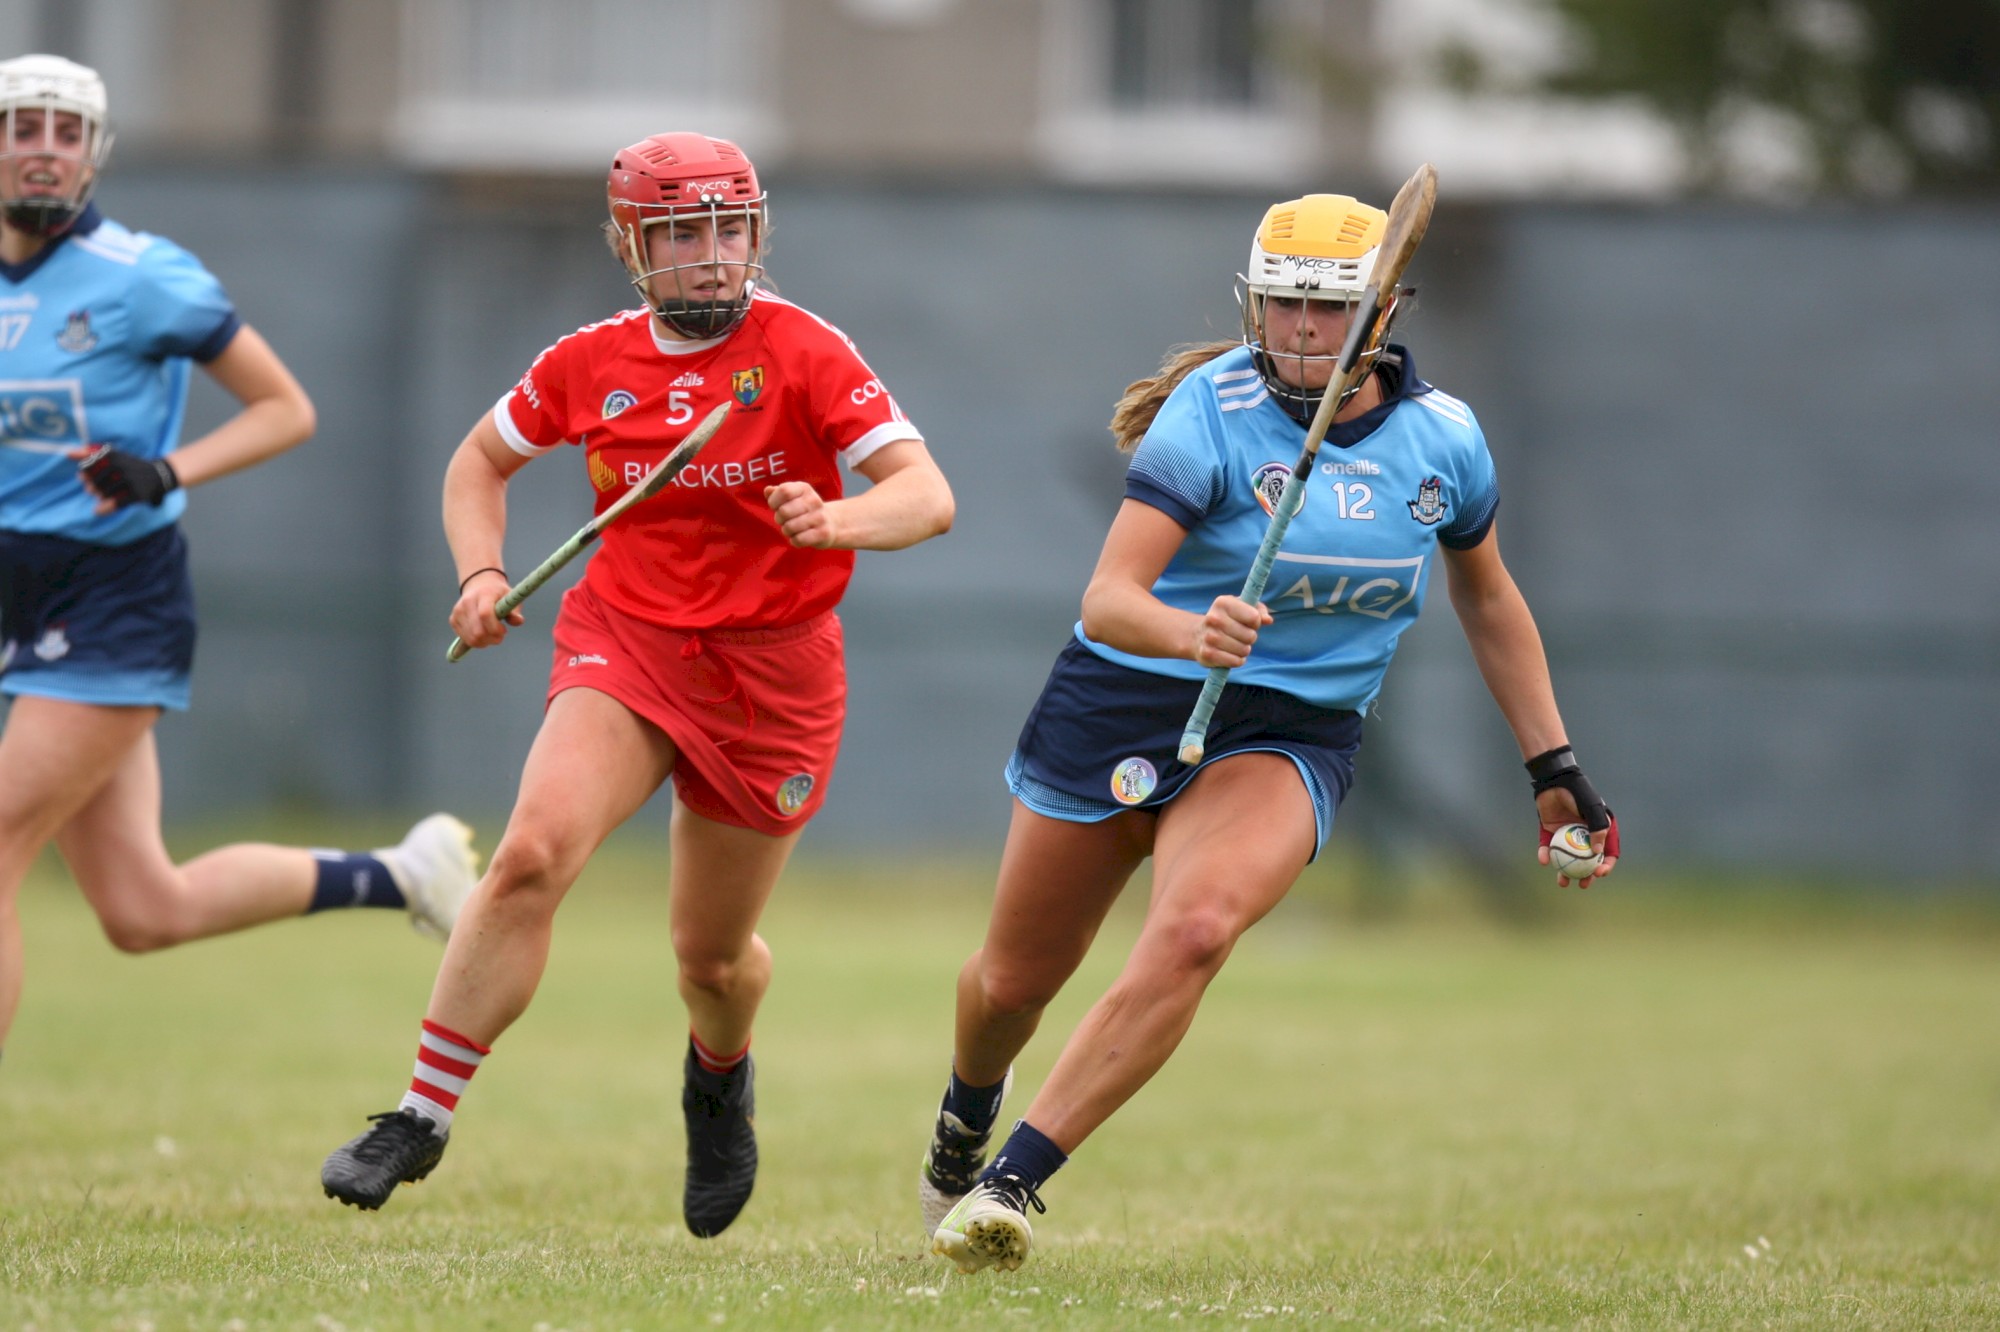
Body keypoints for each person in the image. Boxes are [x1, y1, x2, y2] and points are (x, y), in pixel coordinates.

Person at [920, 190, 1620, 1273]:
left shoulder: (1443, 443)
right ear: (1255, 304)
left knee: (1194, 931)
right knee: (1010, 985)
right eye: (1285, 304)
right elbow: (1109, 598)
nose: (1301, 330)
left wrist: (1552, 762)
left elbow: (1486, 598)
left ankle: (1008, 1181)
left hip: (1292, 730)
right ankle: (966, 1115)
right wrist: (1189, 630)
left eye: (1327, 309)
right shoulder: (1208, 411)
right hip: (1125, 694)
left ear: (1379, 315)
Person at [317, 131, 955, 1237]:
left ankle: (718, 1075)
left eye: (729, 229)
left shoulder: (803, 349)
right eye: (680, 236)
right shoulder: (588, 363)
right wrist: (480, 571)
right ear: (629, 246)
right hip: (628, 641)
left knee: (710, 958)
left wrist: (836, 516)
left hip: (773, 674)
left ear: (756, 232)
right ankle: (419, 1115)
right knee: (528, 856)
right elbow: (479, 461)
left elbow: (926, 494)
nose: (711, 257)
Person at [0, 53, 479, 1067]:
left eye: (66, 131)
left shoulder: (143, 277)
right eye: (23, 128)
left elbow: (286, 409)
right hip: (14, 586)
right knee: (142, 908)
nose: (45, 151)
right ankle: (403, 875)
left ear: (94, 154)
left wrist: (167, 470)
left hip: (109, 596)